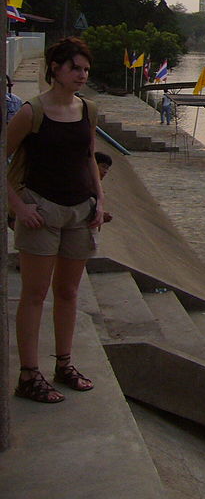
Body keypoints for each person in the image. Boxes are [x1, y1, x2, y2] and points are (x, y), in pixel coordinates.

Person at [8, 37, 105, 404]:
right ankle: (29, 374)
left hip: (80, 211)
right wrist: (19, 207)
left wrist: (99, 199)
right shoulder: (32, 112)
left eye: (85, 70)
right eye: (75, 68)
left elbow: (88, 157)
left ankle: (64, 364)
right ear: (55, 69)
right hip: (41, 212)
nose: (82, 75)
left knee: (68, 292)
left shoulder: (87, 110)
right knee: (34, 295)